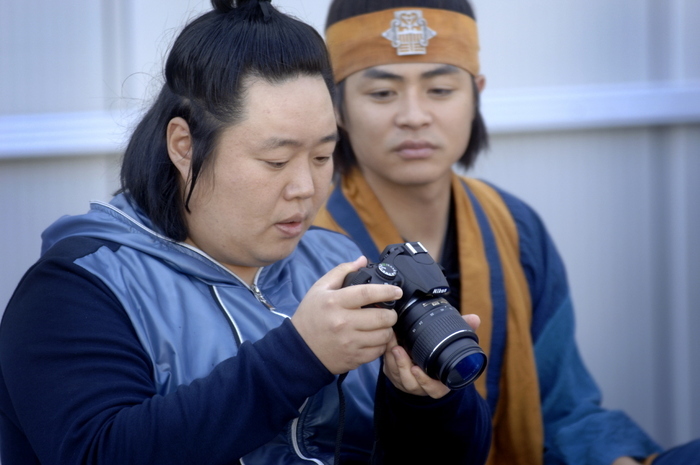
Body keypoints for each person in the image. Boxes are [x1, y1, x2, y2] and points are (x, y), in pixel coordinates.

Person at [0, 1, 493, 463]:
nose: (305, 187)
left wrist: (421, 403)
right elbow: (98, 451)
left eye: (323, 157)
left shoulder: (334, 260)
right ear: (184, 146)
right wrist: (299, 356)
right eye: (275, 160)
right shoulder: (79, 286)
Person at [314, 0, 695, 464]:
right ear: (337, 105)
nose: (414, 116)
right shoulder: (309, 243)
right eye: (382, 94)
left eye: (439, 89)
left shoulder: (513, 225)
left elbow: (564, 406)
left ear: (476, 93)